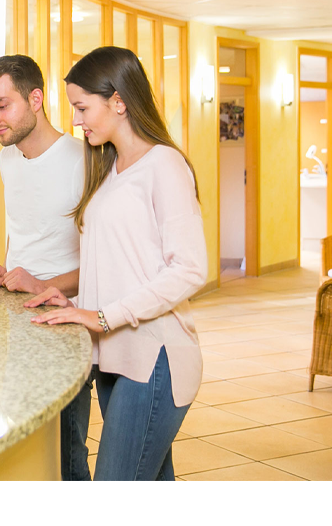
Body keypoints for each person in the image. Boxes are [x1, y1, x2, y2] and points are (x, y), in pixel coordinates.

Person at [24, 46, 207, 481]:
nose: (76, 120)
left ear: (119, 102)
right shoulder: (108, 167)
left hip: (154, 356)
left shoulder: (164, 164)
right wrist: (72, 301)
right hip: (114, 355)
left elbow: (189, 269)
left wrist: (103, 317)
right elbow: (117, 263)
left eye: (83, 107)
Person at [0, 54, 93, 479]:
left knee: (66, 453)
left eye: (1, 106)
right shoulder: (8, 159)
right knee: (30, 451)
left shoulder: (84, 159)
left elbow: (100, 264)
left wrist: (41, 284)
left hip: (67, 325)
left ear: (36, 99)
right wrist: (5, 270)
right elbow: (23, 233)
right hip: (20, 322)